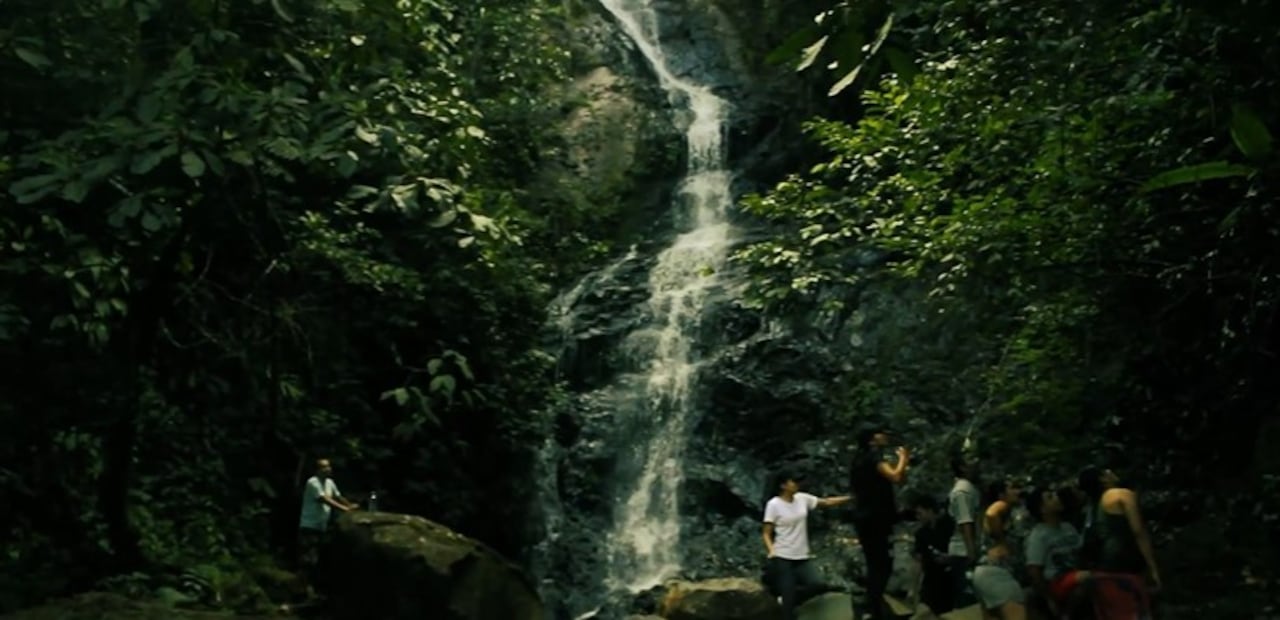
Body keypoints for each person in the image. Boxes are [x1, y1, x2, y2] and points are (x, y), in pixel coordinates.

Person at [762, 472, 851, 620]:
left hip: (802, 555)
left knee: (817, 584)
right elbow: (766, 532)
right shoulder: (774, 504)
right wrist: (772, 550)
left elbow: (826, 502)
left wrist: (850, 498)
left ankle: (786, 599)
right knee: (788, 605)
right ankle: (787, 602)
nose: (796, 484)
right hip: (783, 556)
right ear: (783, 485)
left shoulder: (802, 498)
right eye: (793, 481)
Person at [1077, 467, 1161, 619]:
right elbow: (1138, 531)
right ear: (1103, 479)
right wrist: (1152, 567)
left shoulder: (1093, 507)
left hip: (1102, 570)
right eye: (1107, 471)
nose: (1112, 472)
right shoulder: (1121, 494)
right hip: (1125, 567)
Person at [847, 424, 910, 620]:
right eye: (880, 434)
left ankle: (873, 606)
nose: (885, 436)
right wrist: (903, 459)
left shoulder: (857, 461)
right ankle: (873, 609)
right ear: (871, 439)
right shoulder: (874, 458)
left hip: (864, 518)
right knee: (882, 564)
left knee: (875, 562)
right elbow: (895, 476)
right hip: (876, 519)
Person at [1024, 485, 1088, 619]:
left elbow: (1081, 551)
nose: (1057, 498)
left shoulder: (1068, 528)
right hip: (1056, 581)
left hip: (1074, 574)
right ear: (1042, 509)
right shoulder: (1039, 535)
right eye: (1050, 497)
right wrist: (1048, 598)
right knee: (1087, 580)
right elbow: (1034, 570)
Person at [971, 479, 1028, 619]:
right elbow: (992, 513)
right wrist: (1002, 541)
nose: (1017, 492)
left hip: (984, 572)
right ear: (1001, 494)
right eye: (1012, 488)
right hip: (997, 574)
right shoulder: (1001, 505)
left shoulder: (1011, 512)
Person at [298, 458, 358, 588]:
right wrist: (344, 509)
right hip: (309, 525)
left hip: (321, 526)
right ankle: (302, 587)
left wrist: (350, 505)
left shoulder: (330, 482)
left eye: (328, 466)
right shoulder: (312, 482)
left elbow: (338, 496)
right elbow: (324, 499)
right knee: (309, 559)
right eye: (324, 467)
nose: (328, 469)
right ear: (317, 470)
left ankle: (312, 587)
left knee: (318, 558)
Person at [909, 494, 956, 615]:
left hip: (949, 581)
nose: (918, 517)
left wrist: (951, 559)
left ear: (930, 511)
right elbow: (918, 561)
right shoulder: (921, 534)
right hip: (930, 582)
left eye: (920, 513)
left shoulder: (949, 526)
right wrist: (914, 590)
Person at [945, 454, 982, 607]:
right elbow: (965, 521)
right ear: (962, 467)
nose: (975, 462)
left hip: (968, 550)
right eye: (970, 460)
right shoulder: (962, 491)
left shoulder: (969, 488)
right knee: (966, 601)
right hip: (963, 552)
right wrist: (971, 552)